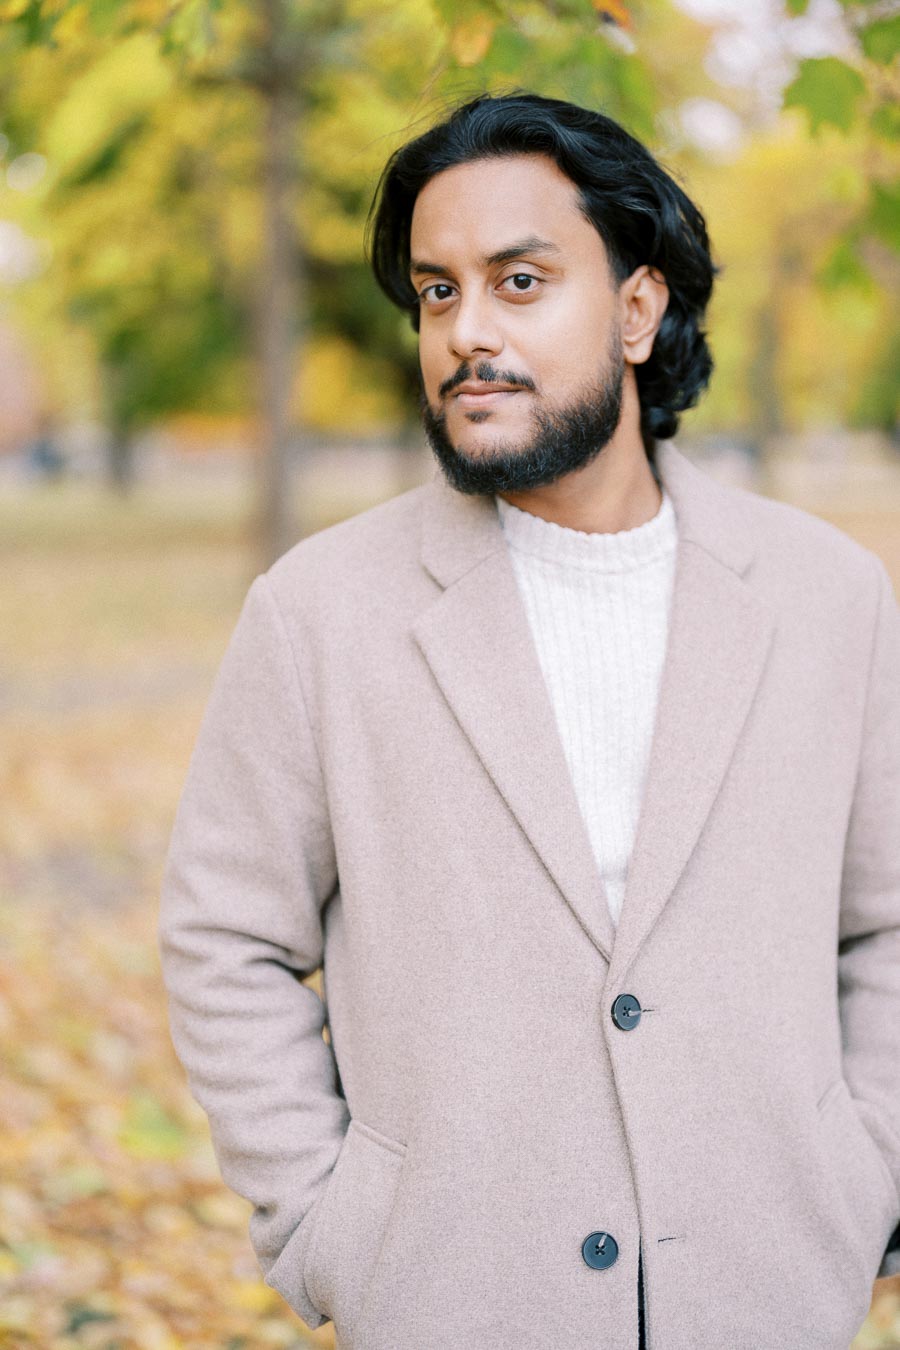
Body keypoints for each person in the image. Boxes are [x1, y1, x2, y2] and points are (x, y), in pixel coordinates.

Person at [158, 92, 900, 1349]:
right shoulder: (319, 614)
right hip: (451, 1296)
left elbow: (887, 924)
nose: (466, 333)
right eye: (438, 293)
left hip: (771, 1290)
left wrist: (866, 1175)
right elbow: (226, 941)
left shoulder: (832, 595)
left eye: (518, 280)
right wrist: (327, 1224)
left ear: (636, 309)